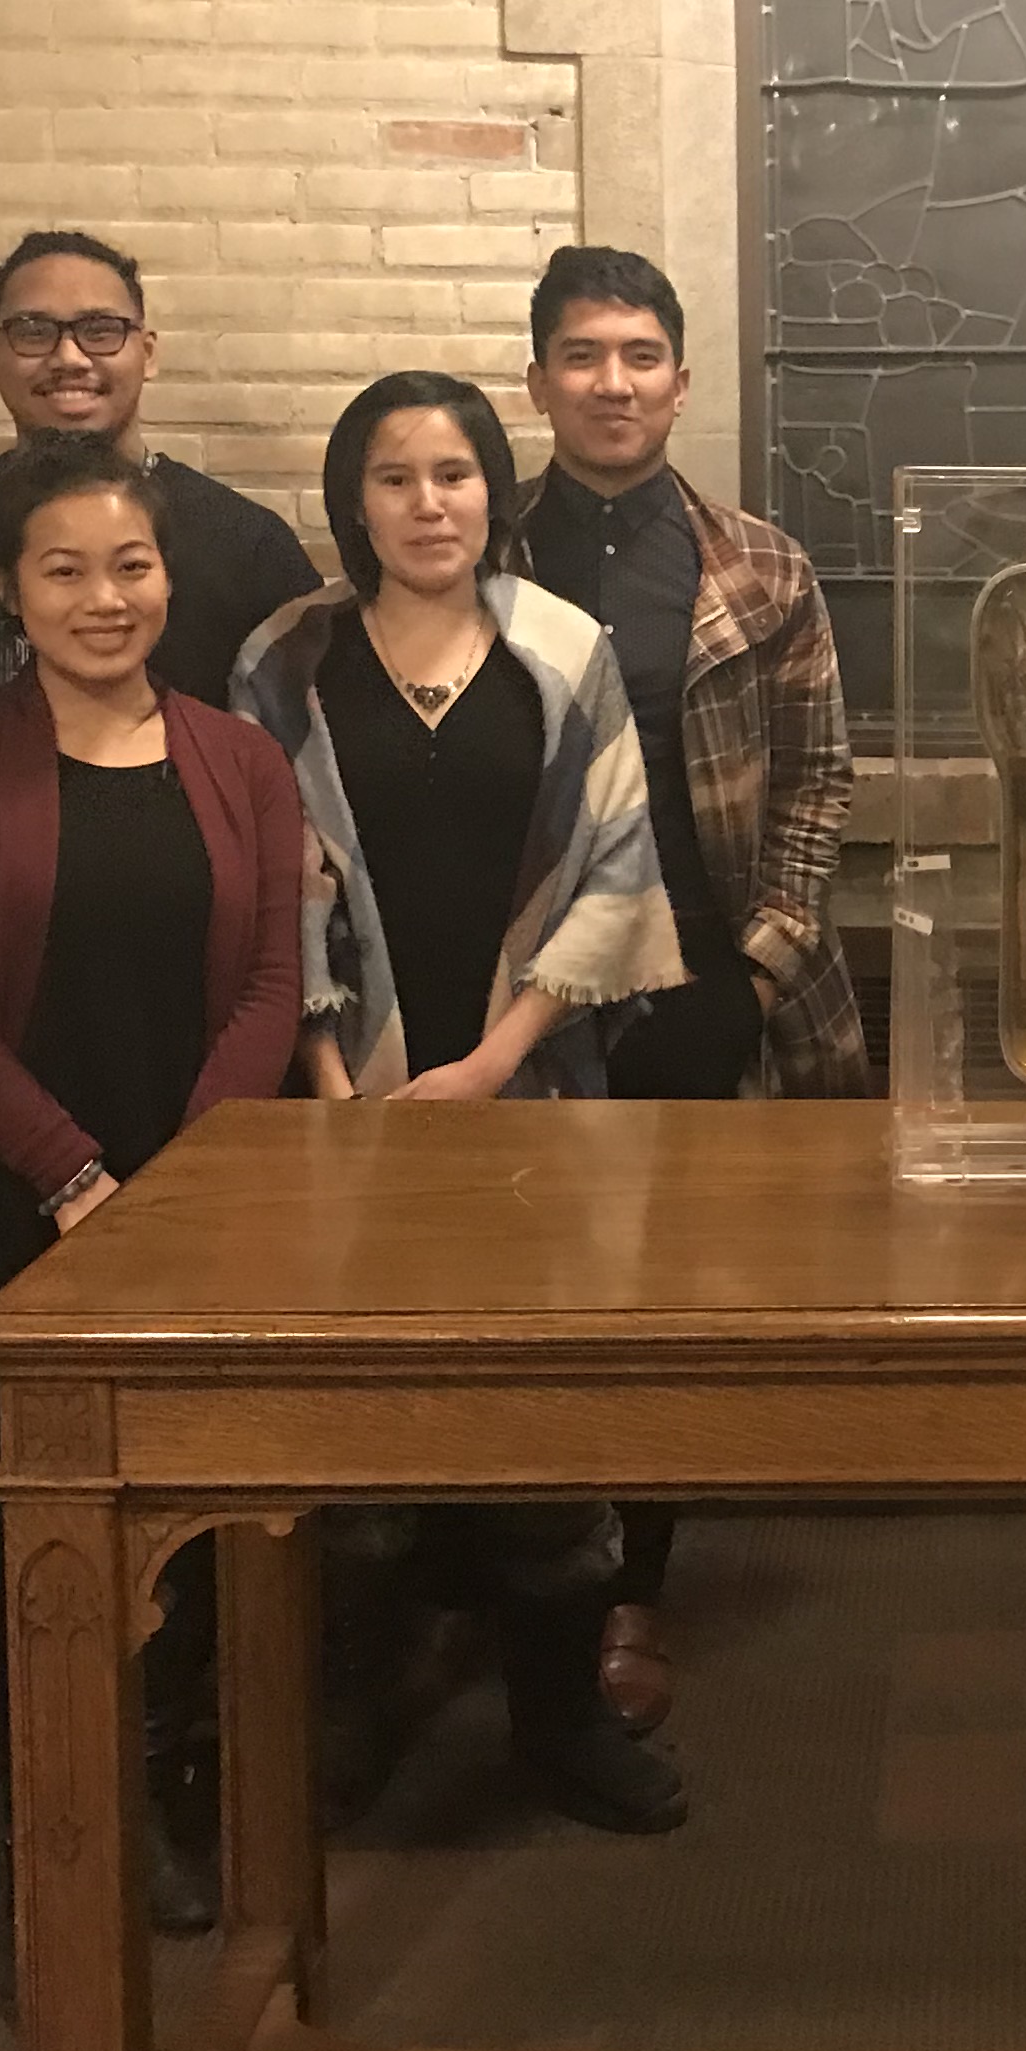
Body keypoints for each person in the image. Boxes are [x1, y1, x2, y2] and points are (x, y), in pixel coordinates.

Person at [227, 373, 690, 1832]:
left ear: (496, 488)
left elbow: (613, 872)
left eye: (455, 474)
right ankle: (355, 1713)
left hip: (531, 1091)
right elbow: (260, 887)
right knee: (353, 1432)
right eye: (393, 477)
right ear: (348, 498)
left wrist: (490, 1068)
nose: (428, 504)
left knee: (547, 1418)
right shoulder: (283, 663)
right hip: (338, 1097)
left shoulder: (567, 651)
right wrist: (331, 1078)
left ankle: (560, 1723)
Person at [0, 428, 306, 1930]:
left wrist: (178, 1188)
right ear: (11, 589)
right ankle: (62, 1831)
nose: (104, 597)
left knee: (193, 1522)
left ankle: (167, 1785)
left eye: (132, 565)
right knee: (46, 1545)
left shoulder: (239, 757)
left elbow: (268, 985)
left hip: (200, 1201)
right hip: (10, 1203)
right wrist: (68, 1177)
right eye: (67, 571)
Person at [506, 244, 867, 1729]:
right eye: (583, 356)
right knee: (524, 1294)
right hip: (527, 996)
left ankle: (627, 1587)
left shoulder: (756, 564)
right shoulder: (478, 551)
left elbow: (823, 782)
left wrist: (762, 963)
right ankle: (514, 1572)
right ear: (537, 379)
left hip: (701, 981)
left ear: (680, 378)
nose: (613, 383)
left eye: (641, 355)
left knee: (656, 1300)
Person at [0, 229, 315, 720]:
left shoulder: (251, 547)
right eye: (33, 331)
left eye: (101, 330)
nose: (68, 358)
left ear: (147, 353)